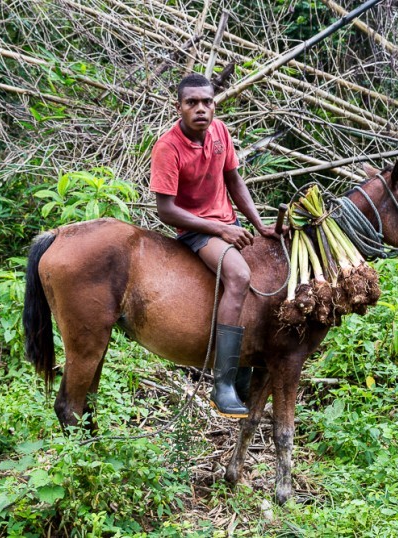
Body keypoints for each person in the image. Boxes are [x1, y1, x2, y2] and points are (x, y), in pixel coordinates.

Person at [149, 74, 279, 418]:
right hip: (197, 231)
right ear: (179, 107)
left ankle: (243, 372)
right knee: (238, 276)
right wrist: (219, 228)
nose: (201, 109)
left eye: (206, 102)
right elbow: (165, 210)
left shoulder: (220, 133)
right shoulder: (168, 147)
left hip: (227, 225)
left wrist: (258, 223)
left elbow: (234, 180)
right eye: (192, 102)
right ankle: (221, 383)